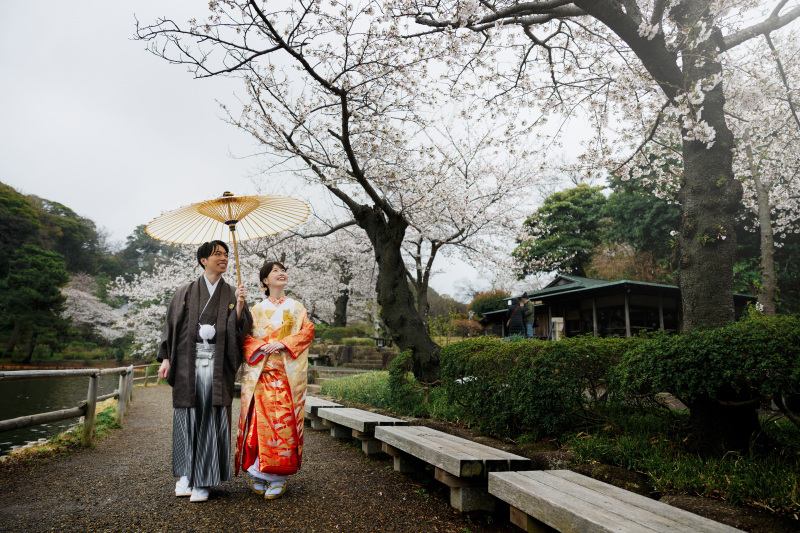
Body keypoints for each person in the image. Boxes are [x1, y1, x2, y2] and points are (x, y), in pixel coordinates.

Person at [156, 240, 251, 503]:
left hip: (217, 363)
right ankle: (186, 475)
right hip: (188, 362)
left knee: (210, 419)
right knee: (188, 417)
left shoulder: (232, 292)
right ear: (203, 260)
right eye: (217, 254)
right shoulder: (185, 291)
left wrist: (241, 305)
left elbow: (241, 331)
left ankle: (204, 479)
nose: (223, 258)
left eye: (225, 254)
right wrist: (165, 358)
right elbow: (171, 325)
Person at [235, 261, 314, 500]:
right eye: (275, 271)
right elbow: (246, 339)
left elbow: (307, 332)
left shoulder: (297, 307)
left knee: (283, 426)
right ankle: (259, 473)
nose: (281, 273)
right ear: (265, 282)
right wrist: (240, 304)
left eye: (283, 270)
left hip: (286, 377)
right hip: (263, 377)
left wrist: (284, 343)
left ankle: (277, 477)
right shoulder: (256, 309)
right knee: (259, 426)